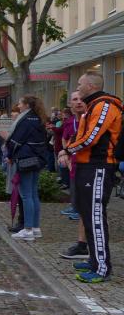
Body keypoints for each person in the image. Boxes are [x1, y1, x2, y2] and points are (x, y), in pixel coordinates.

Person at [60, 72, 122, 283]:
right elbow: (83, 136)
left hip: (99, 166)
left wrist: (68, 150)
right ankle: (94, 260)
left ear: (91, 86)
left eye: (80, 84)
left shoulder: (104, 105)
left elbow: (91, 137)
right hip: (88, 165)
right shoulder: (93, 106)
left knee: (95, 216)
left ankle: (102, 267)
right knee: (87, 214)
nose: (78, 88)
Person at [6, 95, 49, 242]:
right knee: (34, 194)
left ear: (27, 105)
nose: (18, 106)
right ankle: (35, 228)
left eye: (20, 103)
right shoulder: (39, 119)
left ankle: (28, 229)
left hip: (25, 159)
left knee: (26, 195)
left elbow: (15, 141)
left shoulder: (25, 120)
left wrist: (9, 155)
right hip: (37, 159)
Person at [59, 91, 87, 258]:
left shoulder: (90, 120)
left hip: (88, 169)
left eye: (81, 99)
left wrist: (67, 151)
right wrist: (66, 155)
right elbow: (66, 141)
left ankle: (89, 246)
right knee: (81, 209)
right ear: (70, 104)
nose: (78, 102)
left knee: (89, 210)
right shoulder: (70, 122)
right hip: (75, 168)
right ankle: (82, 244)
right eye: (75, 99)